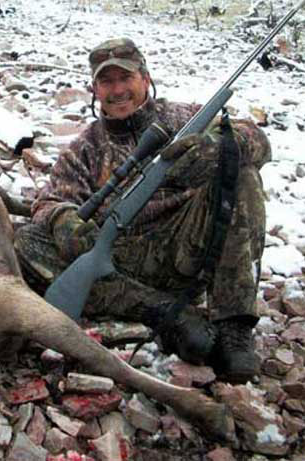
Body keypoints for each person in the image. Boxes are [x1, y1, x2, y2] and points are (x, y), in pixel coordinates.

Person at [14, 38, 272, 384]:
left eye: (126, 78)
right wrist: (64, 220)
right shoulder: (85, 148)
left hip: (186, 248)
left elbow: (258, 141)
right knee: (28, 241)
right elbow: (49, 201)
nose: (118, 90)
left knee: (243, 173)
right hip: (123, 266)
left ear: (145, 79)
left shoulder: (186, 119)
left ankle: (234, 327)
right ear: (95, 89)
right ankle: (161, 311)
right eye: (107, 81)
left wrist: (222, 144)